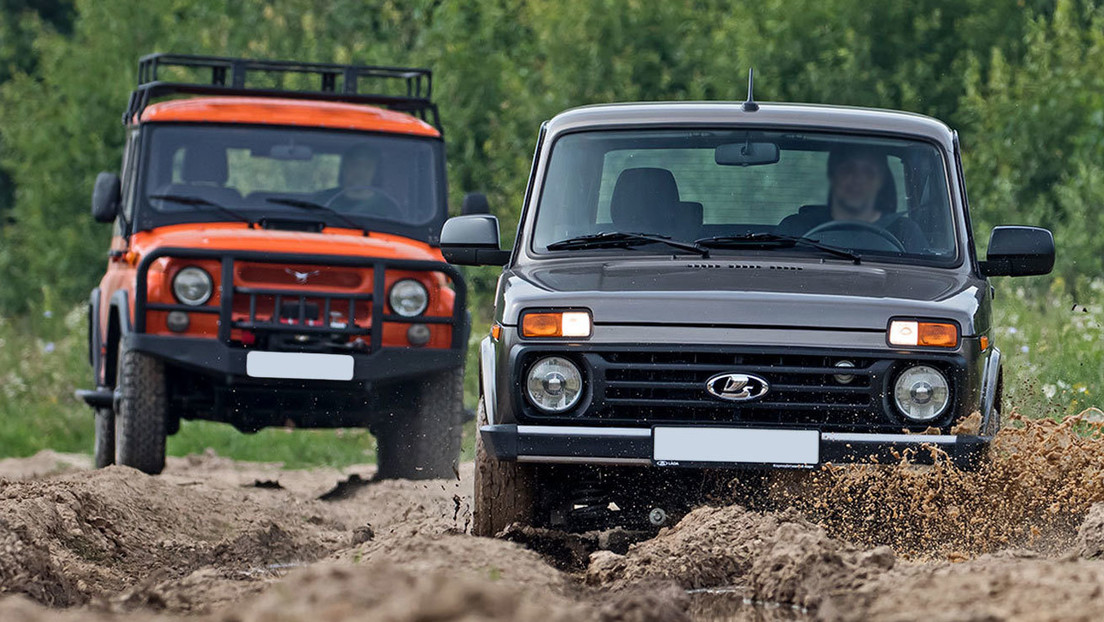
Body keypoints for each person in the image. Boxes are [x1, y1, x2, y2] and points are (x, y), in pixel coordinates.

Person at [777, 144, 927, 252]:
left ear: (881, 180)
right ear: (832, 175)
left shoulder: (905, 233)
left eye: (868, 172)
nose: (858, 180)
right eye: (848, 170)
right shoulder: (795, 229)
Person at [320, 144, 402, 217]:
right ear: (344, 168)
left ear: (375, 172)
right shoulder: (323, 201)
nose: (360, 172)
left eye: (367, 167)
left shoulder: (388, 207)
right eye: (354, 165)